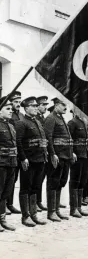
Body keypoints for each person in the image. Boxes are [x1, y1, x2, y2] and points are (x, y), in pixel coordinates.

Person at [15, 97, 47, 227]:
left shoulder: (37, 122)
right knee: (25, 187)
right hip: (29, 160)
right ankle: (25, 216)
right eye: (33, 106)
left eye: (36, 105)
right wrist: (23, 158)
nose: (35, 107)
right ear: (26, 108)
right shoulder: (22, 123)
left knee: (36, 187)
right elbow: (18, 142)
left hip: (39, 159)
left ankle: (34, 214)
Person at [44, 98, 75, 222]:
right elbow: (48, 137)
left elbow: (67, 138)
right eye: (63, 105)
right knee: (53, 182)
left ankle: (56, 210)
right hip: (57, 156)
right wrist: (52, 154)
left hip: (65, 156)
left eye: (66, 105)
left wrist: (71, 152)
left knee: (61, 182)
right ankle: (51, 212)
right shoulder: (51, 118)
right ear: (56, 105)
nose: (65, 107)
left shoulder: (61, 118)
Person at [68, 112, 88, 218]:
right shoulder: (72, 122)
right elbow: (69, 139)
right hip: (77, 155)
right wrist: (72, 152)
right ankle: (73, 208)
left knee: (82, 181)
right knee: (75, 180)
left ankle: (79, 207)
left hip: (86, 155)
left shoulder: (85, 122)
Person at [0, 96, 17, 232]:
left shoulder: (11, 126)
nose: (11, 111)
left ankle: (3, 219)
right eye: (7, 109)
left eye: (11, 109)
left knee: (6, 192)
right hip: (1, 163)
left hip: (11, 162)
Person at [7, 91, 23, 214]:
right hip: (9, 151)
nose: (18, 104)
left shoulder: (21, 116)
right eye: (15, 102)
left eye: (19, 101)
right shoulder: (8, 116)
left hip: (18, 151)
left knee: (13, 179)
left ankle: (10, 203)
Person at [36, 96, 49, 212]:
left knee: (41, 178)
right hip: (36, 153)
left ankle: (38, 201)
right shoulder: (36, 119)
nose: (45, 107)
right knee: (36, 179)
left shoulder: (42, 118)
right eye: (43, 105)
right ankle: (35, 202)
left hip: (44, 153)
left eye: (46, 105)